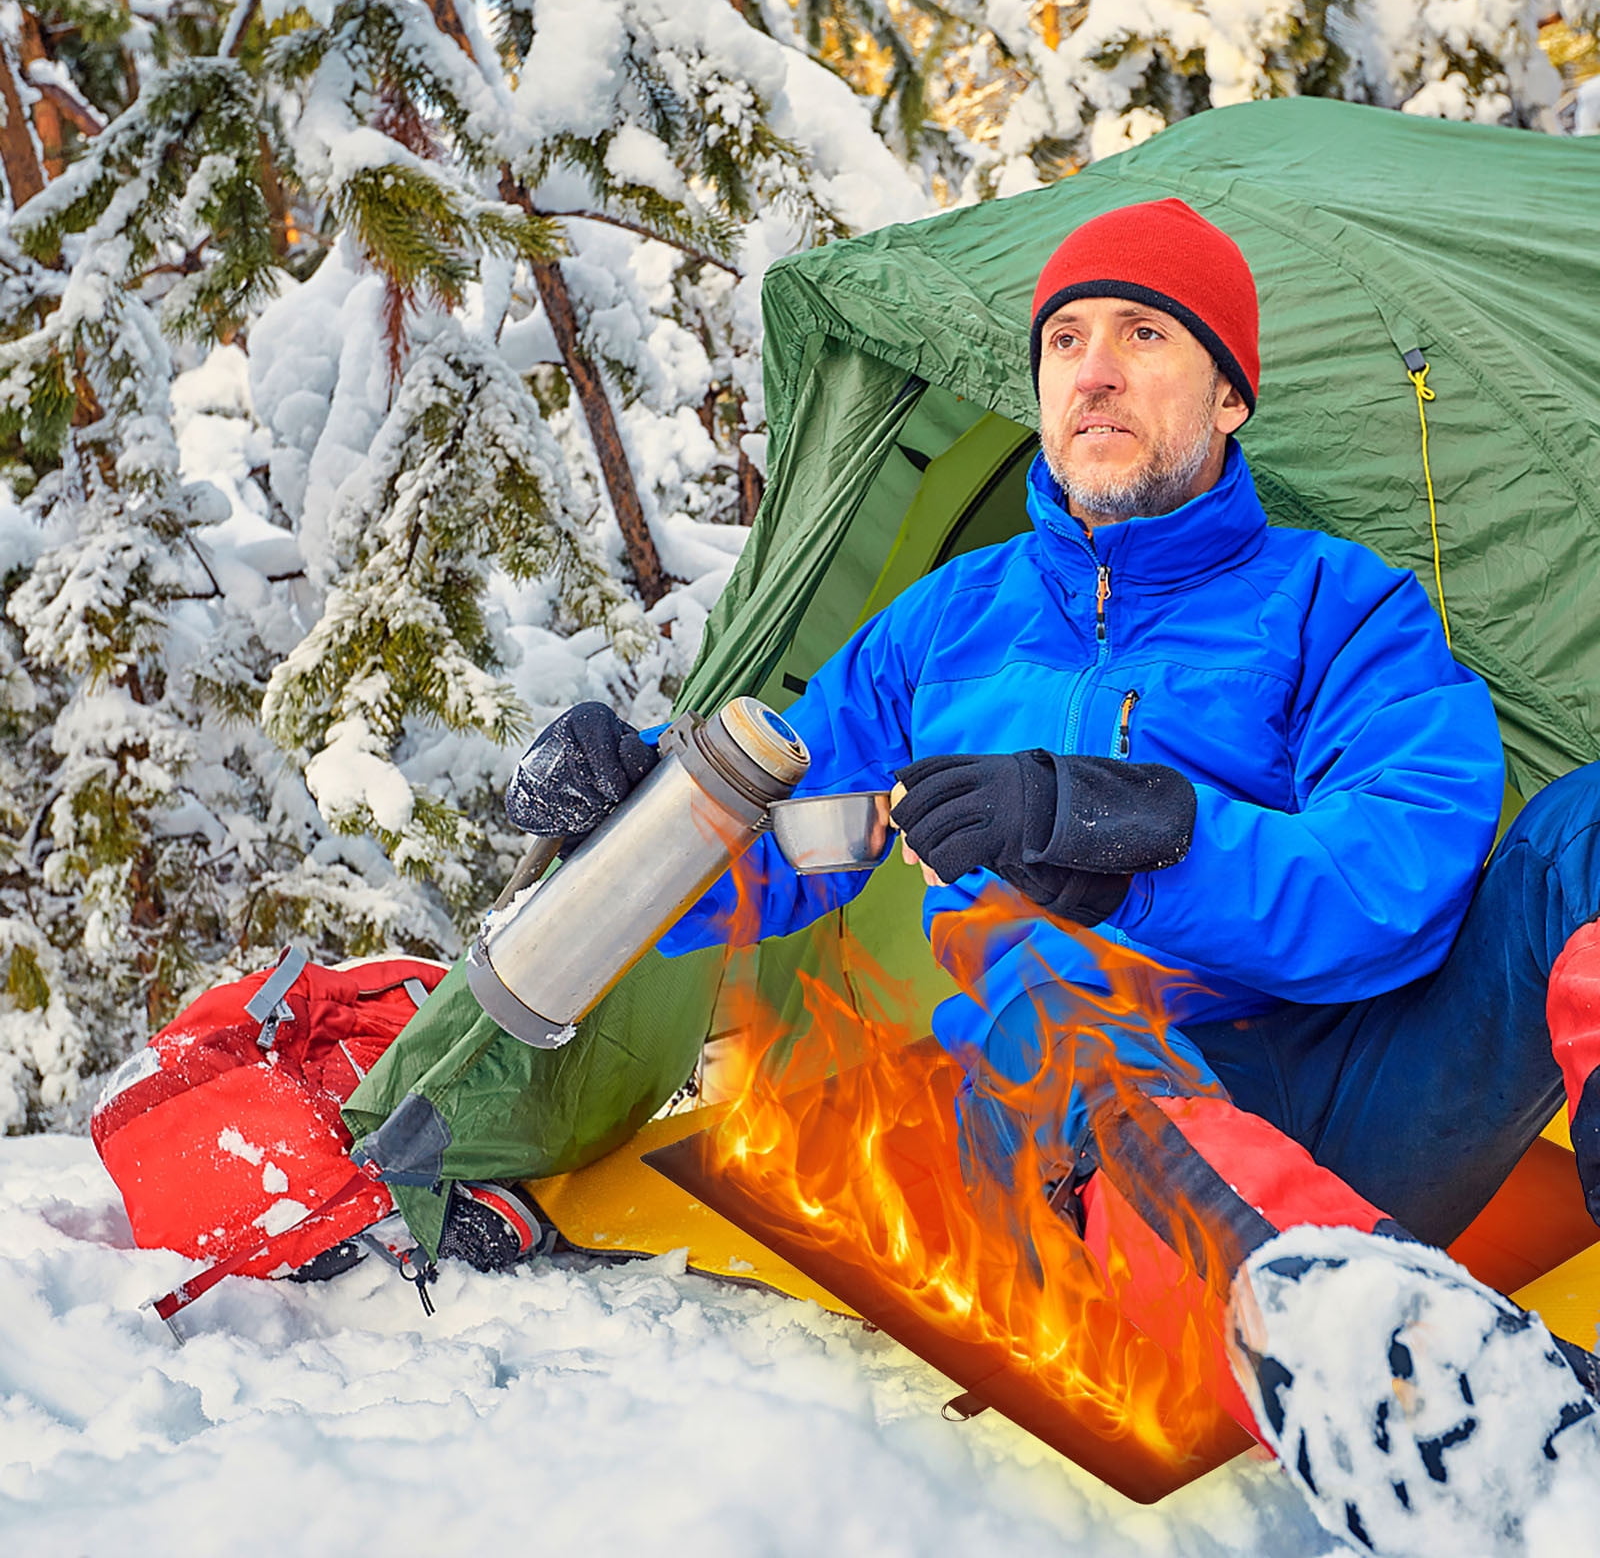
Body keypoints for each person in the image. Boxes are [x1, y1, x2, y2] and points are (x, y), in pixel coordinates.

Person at [506, 200, 1600, 1554]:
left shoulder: (1341, 605)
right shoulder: (948, 625)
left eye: (1146, 333)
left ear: (1231, 394)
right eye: (1068, 338)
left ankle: (1388, 1332)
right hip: (1107, 1121)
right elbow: (788, 850)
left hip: (1378, 1082)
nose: (1096, 367)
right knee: (1036, 978)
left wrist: (1149, 834)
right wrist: (645, 814)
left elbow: (1405, 881)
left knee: (1591, 830)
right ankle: (1407, 1384)